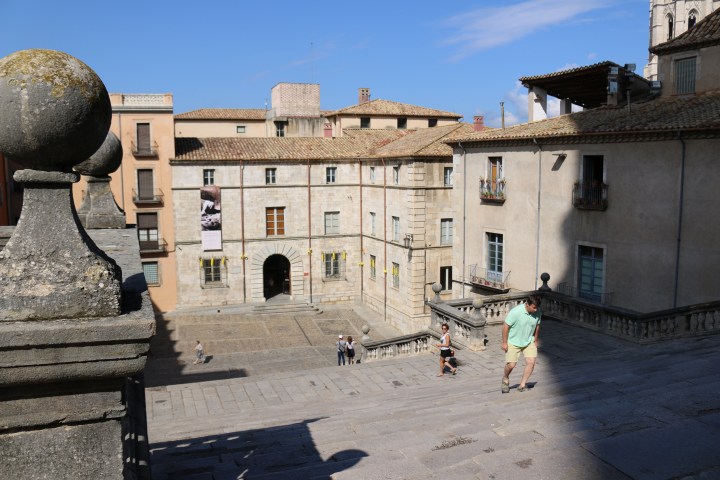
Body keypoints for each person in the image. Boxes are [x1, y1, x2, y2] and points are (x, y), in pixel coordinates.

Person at [501, 295, 542, 393]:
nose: (536, 310)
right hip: (513, 341)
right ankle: (505, 378)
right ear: (527, 305)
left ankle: (522, 385)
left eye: (537, 307)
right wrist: (504, 343)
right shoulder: (515, 312)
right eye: (534, 307)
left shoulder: (537, 312)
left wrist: (535, 339)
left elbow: (537, 325)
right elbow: (505, 327)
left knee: (531, 362)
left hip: (529, 341)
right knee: (511, 365)